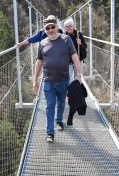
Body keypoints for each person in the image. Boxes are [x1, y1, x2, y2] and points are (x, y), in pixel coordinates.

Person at [33, 15, 82, 143]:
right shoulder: (42, 43)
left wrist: (78, 75)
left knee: (61, 103)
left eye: (53, 27)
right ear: (45, 30)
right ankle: (50, 133)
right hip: (48, 81)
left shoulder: (66, 40)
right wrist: (35, 80)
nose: (50, 30)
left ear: (57, 27)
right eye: (48, 28)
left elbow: (75, 57)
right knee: (50, 105)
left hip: (64, 80)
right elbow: (39, 62)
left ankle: (59, 120)